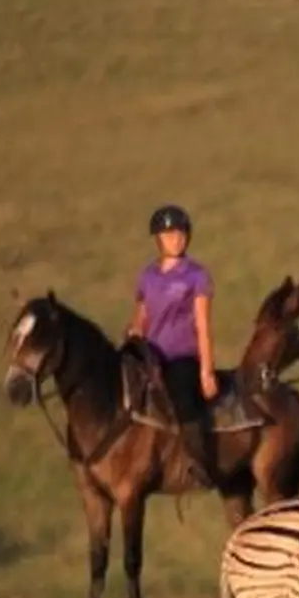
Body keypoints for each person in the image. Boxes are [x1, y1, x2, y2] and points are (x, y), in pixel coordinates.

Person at [125, 204, 218, 489]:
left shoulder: (197, 276)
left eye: (180, 234)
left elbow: (203, 325)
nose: (175, 239)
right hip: (150, 354)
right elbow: (141, 315)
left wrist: (206, 371)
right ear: (158, 239)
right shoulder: (147, 276)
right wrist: (133, 337)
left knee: (181, 395)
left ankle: (199, 463)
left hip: (181, 355)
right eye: (168, 235)